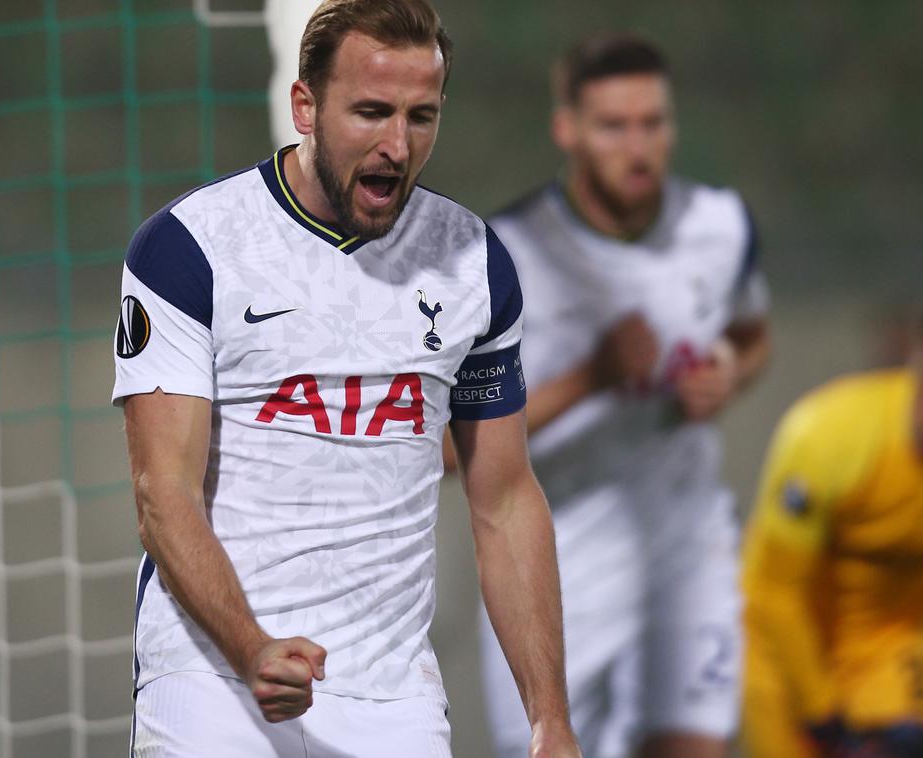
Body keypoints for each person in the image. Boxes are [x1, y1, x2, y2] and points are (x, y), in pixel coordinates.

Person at [112, 1, 580, 756]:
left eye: (421, 116)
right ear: (305, 106)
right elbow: (163, 494)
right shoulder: (188, 250)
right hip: (211, 680)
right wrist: (250, 646)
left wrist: (549, 716)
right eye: (370, 112)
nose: (397, 145)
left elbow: (505, 499)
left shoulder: (473, 264)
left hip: (390, 696)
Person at [473, 32, 771, 758]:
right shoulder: (504, 256)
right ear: (567, 130)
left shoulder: (719, 226)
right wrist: (591, 378)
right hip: (558, 566)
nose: (638, 148)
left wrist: (729, 369)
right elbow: (454, 451)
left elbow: (752, 331)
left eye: (653, 124)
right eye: (613, 126)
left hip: (687, 546)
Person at [741, 297, 923, 758]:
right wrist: (824, 717)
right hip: (786, 652)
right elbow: (777, 596)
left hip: (893, 648)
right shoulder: (829, 436)